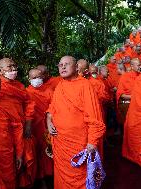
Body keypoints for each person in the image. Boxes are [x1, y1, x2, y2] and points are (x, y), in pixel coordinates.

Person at [46, 56, 105, 188]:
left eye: (67, 64)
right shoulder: (60, 85)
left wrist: (92, 142)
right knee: (62, 178)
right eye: (60, 64)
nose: (63, 67)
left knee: (81, 176)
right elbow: (52, 109)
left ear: (76, 68)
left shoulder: (85, 85)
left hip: (79, 143)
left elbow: (94, 117)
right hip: (61, 142)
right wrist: (49, 120)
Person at [0, 58, 36, 187]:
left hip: (22, 129)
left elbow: (29, 103)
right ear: (0, 70)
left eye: (14, 65)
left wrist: (29, 123)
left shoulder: (19, 86)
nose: (13, 69)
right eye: (9, 67)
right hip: (4, 131)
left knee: (25, 159)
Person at [26, 69, 53, 183]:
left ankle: (51, 175)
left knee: (49, 151)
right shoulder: (26, 92)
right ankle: (40, 178)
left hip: (48, 126)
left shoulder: (49, 90)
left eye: (39, 77)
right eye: (33, 78)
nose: (37, 80)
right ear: (29, 79)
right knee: (37, 152)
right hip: (34, 128)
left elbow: (54, 106)